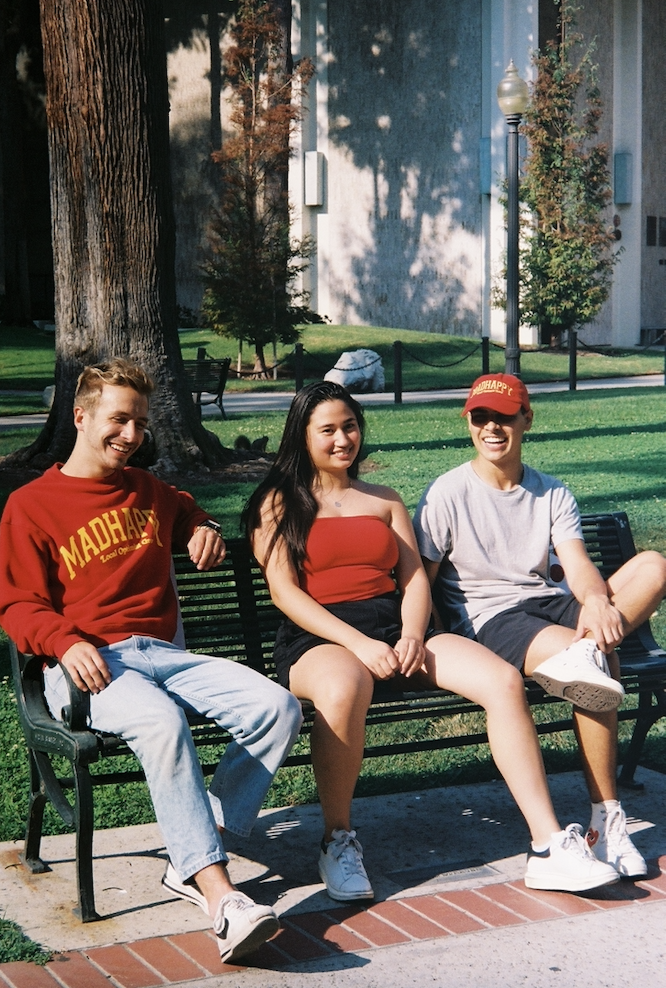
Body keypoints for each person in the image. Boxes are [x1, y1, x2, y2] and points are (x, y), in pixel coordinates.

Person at [244, 380, 620, 903]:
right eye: (327, 430)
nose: (342, 439)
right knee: (345, 686)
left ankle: (548, 845)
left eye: (349, 426)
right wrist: (358, 644)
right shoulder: (278, 503)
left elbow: (414, 578)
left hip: (396, 629)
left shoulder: (384, 499)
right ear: (302, 436)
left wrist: (412, 635)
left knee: (502, 681)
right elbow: (284, 592)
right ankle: (338, 840)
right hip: (319, 637)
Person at [0, 359, 303, 964]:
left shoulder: (147, 489)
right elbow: (16, 605)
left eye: (139, 422)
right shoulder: (30, 506)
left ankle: (195, 849)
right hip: (86, 667)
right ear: (80, 417)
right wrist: (65, 642)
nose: (131, 435)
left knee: (277, 708)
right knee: (162, 721)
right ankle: (220, 896)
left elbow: (185, 507)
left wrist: (202, 526)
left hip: (162, 654)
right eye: (119, 420)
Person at [414, 372, 666, 880]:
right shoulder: (446, 493)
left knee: (654, 566)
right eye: (480, 416)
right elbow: (421, 578)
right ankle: (605, 819)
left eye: (504, 416)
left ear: (527, 419)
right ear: (468, 422)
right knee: (600, 665)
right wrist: (422, 638)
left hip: (552, 604)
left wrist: (596, 601)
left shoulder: (551, 492)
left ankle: (603, 823)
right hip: (490, 619)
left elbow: (577, 564)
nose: (492, 427)